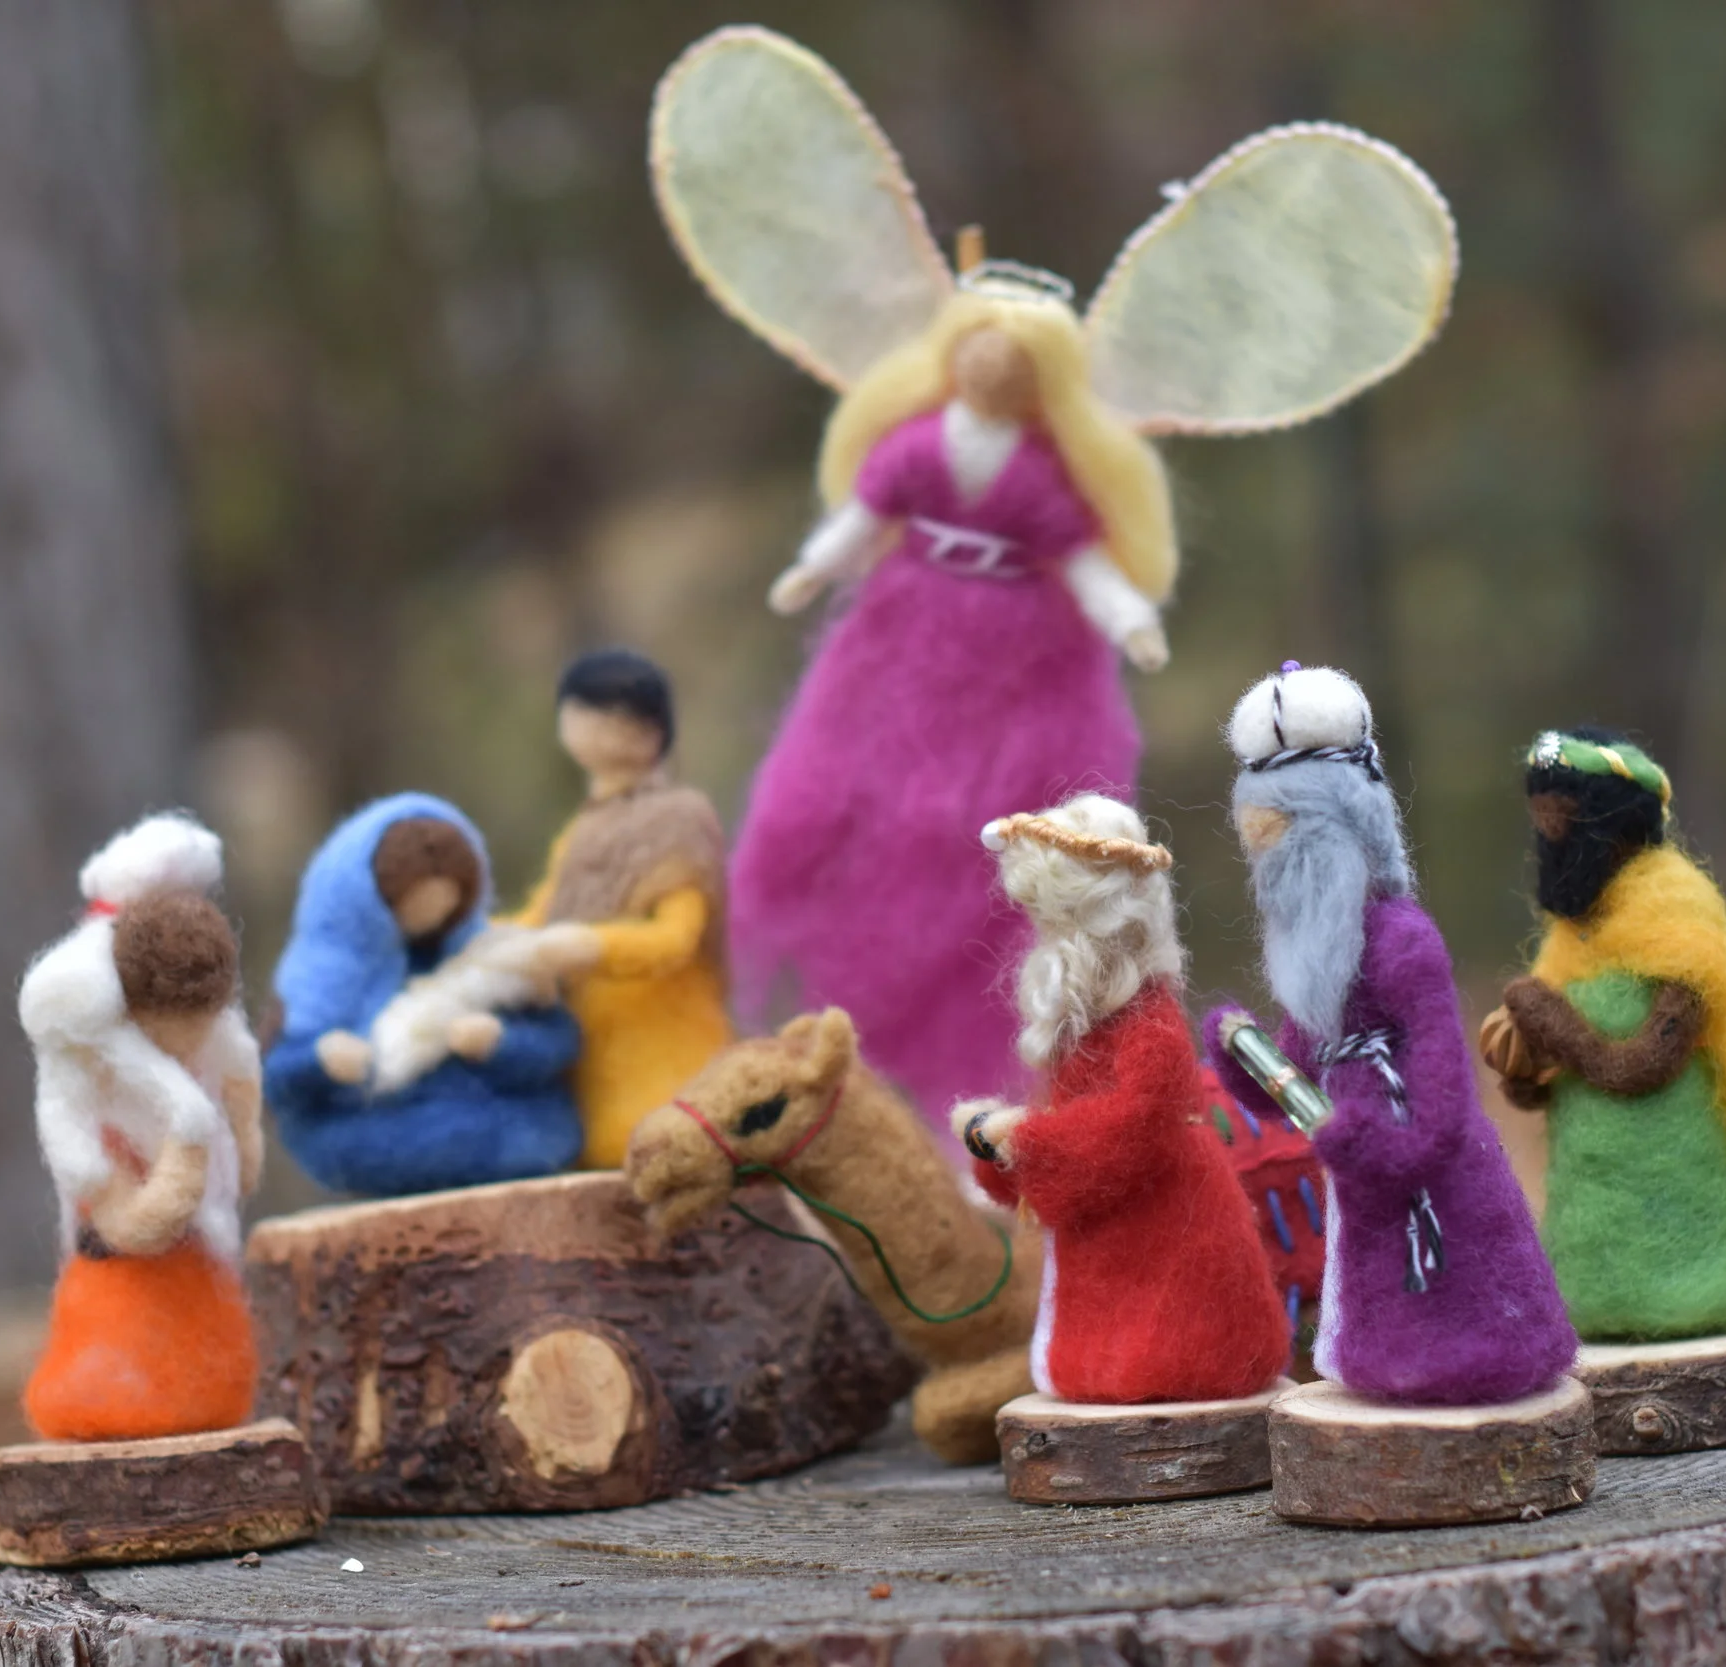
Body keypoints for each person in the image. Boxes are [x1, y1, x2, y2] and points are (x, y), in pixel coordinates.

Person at [730, 271, 1175, 1140]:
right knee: (868, 802)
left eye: (1015, 362)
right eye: (979, 351)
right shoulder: (917, 449)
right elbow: (861, 519)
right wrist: (815, 568)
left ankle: (971, 1080)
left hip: (1016, 649)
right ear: (950, 355)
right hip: (903, 630)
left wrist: (1130, 619)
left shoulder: (1041, 476)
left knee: (984, 841)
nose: (992, 369)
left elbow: (1086, 565)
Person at [1204, 666, 1576, 1407]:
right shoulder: (1322, 961)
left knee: (1448, 1286)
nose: (1273, 871)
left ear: (1344, 830)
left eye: (1288, 841)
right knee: (1376, 1295)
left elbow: (1442, 1099)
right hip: (1359, 1173)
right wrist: (1243, 1055)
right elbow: (1295, 1078)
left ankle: (1475, 1350)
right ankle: (1384, 1356)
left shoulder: (1403, 939)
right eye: (1263, 854)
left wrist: (1380, 1146)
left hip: (1424, 1176)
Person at [1486, 728, 1726, 1346]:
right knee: (1592, 1260)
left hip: (1683, 1193)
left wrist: (1547, 1018)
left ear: (1612, 821)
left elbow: (1642, 1064)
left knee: (1689, 1235)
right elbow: (1548, 1078)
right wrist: (1523, 1069)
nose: (1548, 832)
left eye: (1561, 815)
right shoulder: (1574, 931)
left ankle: (1700, 1281)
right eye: (1540, 818)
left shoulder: (1674, 903)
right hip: (1594, 1229)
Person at [958, 795, 1287, 1406]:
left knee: (1160, 1350)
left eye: (1055, 921)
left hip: (1171, 1231)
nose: (1043, 940)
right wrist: (1003, 1147)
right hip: (1109, 1236)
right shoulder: (1080, 1030)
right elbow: (1071, 1128)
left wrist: (1022, 1138)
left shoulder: (1152, 1027)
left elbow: (1131, 1125)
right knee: (1102, 1350)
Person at [18, 813, 262, 1440]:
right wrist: (119, 1200)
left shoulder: (212, 1046)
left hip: (189, 1235)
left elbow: (236, 1078)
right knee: (116, 1299)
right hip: (118, 1217)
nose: (185, 1040)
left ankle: (196, 1386)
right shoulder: (92, 1059)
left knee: (194, 1305)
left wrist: (242, 1139)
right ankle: (113, 1387)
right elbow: (79, 1153)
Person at [265, 794, 581, 1196]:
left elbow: (556, 1042)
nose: (432, 917)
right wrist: (320, 1060)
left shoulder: (489, 956)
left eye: (448, 905)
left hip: (497, 1115)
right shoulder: (318, 983)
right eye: (415, 904)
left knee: (538, 1127)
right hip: (373, 1125)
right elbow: (279, 1080)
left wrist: (499, 1043)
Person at [493, 649, 731, 1169]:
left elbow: (677, 938)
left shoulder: (679, 821)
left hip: (667, 1061)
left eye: (626, 719)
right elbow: (545, 914)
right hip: (590, 1063)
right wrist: (475, 938)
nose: (609, 730)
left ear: (655, 732)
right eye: (593, 714)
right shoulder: (583, 833)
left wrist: (588, 945)